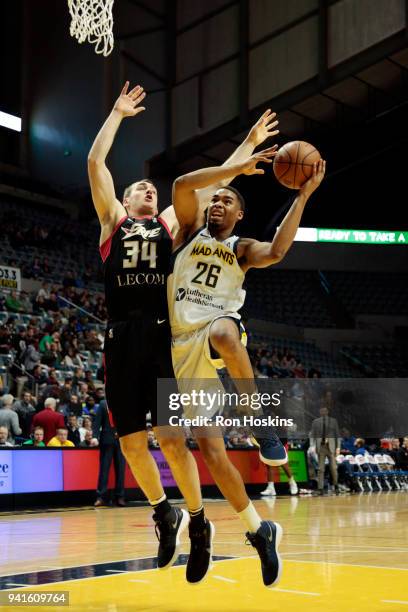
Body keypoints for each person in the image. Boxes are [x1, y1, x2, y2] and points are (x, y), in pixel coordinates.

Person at [87, 80, 279, 579]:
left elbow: (206, 186)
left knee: (174, 439)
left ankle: (198, 522)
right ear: (125, 202)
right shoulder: (113, 223)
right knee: (132, 444)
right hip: (120, 338)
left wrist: (248, 147)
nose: (148, 189)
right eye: (139, 189)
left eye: (151, 187)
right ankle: (163, 510)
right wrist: (116, 114)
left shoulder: (171, 226)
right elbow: (94, 163)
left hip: (162, 336)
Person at [169, 145, 325, 586]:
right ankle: (260, 530)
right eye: (216, 198)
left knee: (222, 332)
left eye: (228, 200)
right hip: (182, 350)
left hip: (219, 331)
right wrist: (235, 169)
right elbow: (182, 186)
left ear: (240, 215)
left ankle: (257, 420)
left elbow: (277, 250)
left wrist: (303, 195)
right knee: (213, 455)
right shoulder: (187, 233)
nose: (218, 203)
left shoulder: (241, 249)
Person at [93, 399, 126, 506]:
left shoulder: (125, 403)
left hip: (122, 440)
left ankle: (120, 496)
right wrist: (94, 436)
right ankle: (101, 496)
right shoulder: (103, 404)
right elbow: (97, 421)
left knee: (121, 470)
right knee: (104, 470)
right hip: (107, 440)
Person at [310, 405, 340, 494]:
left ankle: (336, 485)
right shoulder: (315, 422)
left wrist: (338, 447)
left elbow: (337, 435)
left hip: (331, 447)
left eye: (325, 411)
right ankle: (320, 488)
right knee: (320, 468)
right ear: (320, 412)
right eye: (321, 411)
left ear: (327, 412)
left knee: (333, 468)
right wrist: (313, 446)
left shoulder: (333, 421)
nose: (323, 412)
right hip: (321, 447)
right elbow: (313, 435)